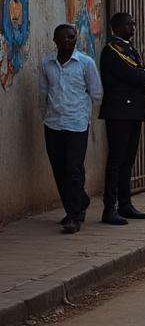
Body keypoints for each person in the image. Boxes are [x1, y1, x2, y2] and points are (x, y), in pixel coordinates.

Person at [99, 12, 145, 226]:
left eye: (134, 24)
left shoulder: (129, 49)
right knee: (116, 161)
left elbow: (136, 72)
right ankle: (110, 208)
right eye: (128, 24)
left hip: (132, 111)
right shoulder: (111, 52)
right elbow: (132, 75)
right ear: (116, 26)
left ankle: (125, 204)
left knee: (128, 161)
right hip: (119, 112)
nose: (133, 27)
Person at [39, 24, 103, 234]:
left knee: (73, 169)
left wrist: (86, 117)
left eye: (72, 37)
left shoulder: (86, 63)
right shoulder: (47, 63)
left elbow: (96, 93)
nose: (69, 40)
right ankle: (78, 202)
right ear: (55, 40)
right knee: (59, 169)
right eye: (64, 37)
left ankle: (75, 216)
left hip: (77, 124)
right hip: (53, 123)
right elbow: (43, 93)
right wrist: (46, 115)